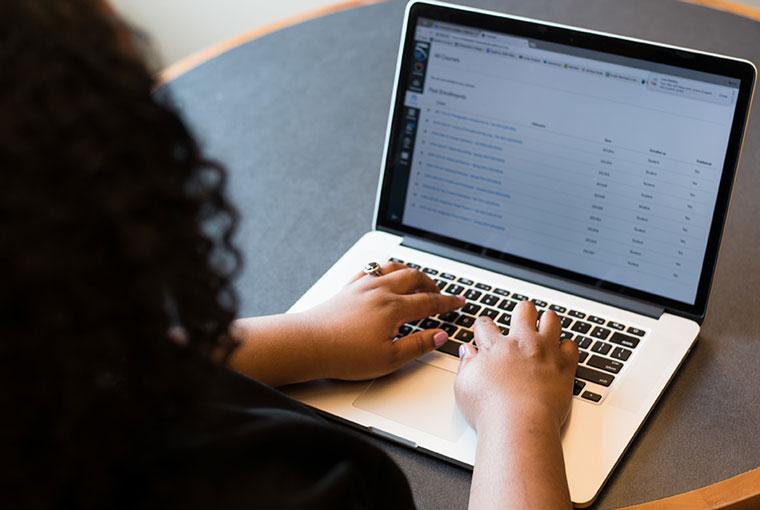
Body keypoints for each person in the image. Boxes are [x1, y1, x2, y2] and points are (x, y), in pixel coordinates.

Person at [1, 1, 578, 508]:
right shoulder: (278, 486)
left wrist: (308, 339)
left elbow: (93, 374)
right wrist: (516, 418)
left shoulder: (43, 392)